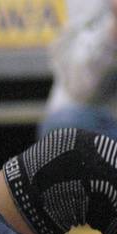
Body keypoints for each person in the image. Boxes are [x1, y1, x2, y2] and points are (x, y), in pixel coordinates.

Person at [39, 0, 117, 138]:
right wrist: (113, 32)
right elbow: (80, 87)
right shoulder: (95, 7)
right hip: (97, 116)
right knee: (70, 125)